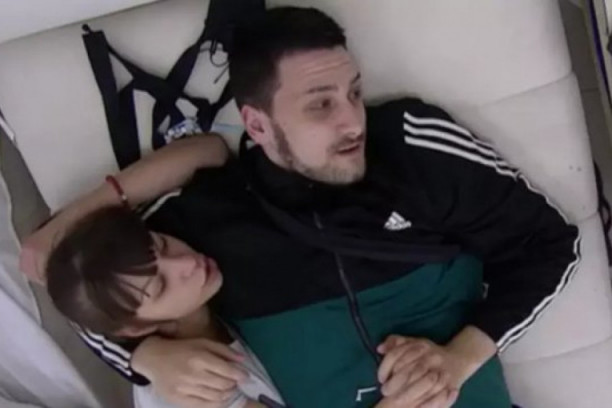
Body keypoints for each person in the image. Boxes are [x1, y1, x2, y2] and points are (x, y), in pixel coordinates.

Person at [22, 6, 580, 408]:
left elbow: (551, 243)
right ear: (258, 123)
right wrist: (143, 358)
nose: (353, 122)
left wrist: (460, 356)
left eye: (354, 92)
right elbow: (91, 291)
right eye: (320, 105)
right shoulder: (204, 223)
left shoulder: (414, 147)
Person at [45, 205, 284, 408]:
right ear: (135, 329)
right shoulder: (183, 393)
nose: (188, 262)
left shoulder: (217, 294)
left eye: (163, 245)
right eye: (162, 286)